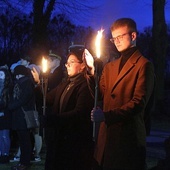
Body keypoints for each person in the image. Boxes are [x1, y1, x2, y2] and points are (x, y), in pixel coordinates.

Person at [85, 18, 155, 170]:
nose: (116, 41)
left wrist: (106, 116)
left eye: (120, 37)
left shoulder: (144, 65)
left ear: (133, 36)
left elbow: (138, 103)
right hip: (107, 138)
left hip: (127, 138)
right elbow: (100, 94)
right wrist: (91, 72)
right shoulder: (110, 66)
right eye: (113, 38)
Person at [32, 46, 95, 170]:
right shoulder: (65, 83)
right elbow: (47, 99)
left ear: (82, 65)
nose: (67, 65)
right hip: (59, 138)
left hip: (74, 141)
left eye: (72, 62)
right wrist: (39, 83)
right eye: (67, 63)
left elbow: (80, 113)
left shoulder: (85, 85)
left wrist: (54, 119)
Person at [8, 65, 36, 170]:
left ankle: (24, 163)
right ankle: (23, 162)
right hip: (20, 116)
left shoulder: (26, 83)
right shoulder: (21, 83)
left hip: (23, 117)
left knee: (25, 141)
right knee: (23, 140)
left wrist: (11, 106)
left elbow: (23, 99)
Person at [0, 65, 13, 164]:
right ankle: (1, 153)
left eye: (1, 74)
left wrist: (3, 110)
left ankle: (5, 154)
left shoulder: (8, 88)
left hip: (5, 114)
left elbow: (8, 102)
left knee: (5, 134)